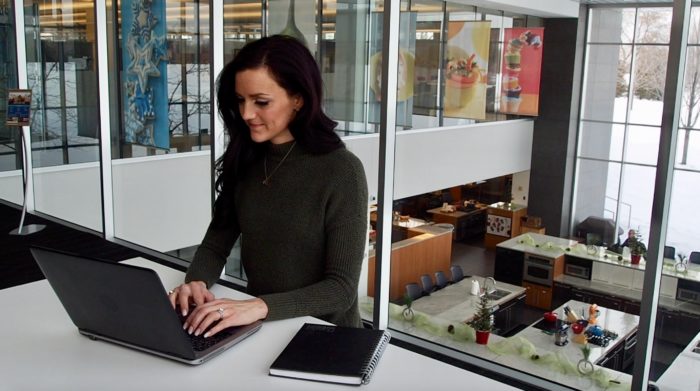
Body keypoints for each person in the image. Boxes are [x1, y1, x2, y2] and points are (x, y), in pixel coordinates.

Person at [167, 35, 369, 338]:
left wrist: (257, 307)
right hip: (264, 327)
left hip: (326, 337)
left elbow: (340, 288)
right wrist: (195, 283)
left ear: (298, 98)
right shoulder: (246, 158)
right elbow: (214, 245)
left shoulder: (342, 172)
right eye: (240, 100)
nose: (247, 113)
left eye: (261, 102)